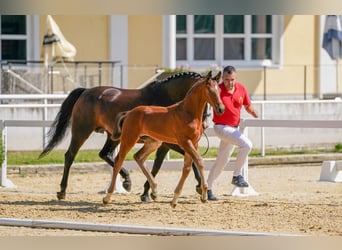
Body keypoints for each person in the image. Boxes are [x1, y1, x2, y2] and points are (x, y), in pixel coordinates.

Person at [207, 65, 258, 201]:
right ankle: (237, 176)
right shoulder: (217, 89)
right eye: (227, 79)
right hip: (221, 127)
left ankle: (207, 188)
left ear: (236, 78)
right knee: (246, 144)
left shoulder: (241, 88)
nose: (229, 83)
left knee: (221, 162)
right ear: (222, 78)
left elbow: (247, 105)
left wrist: (253, 112)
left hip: (233, 129)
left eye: (232, 79)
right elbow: (207, 104)